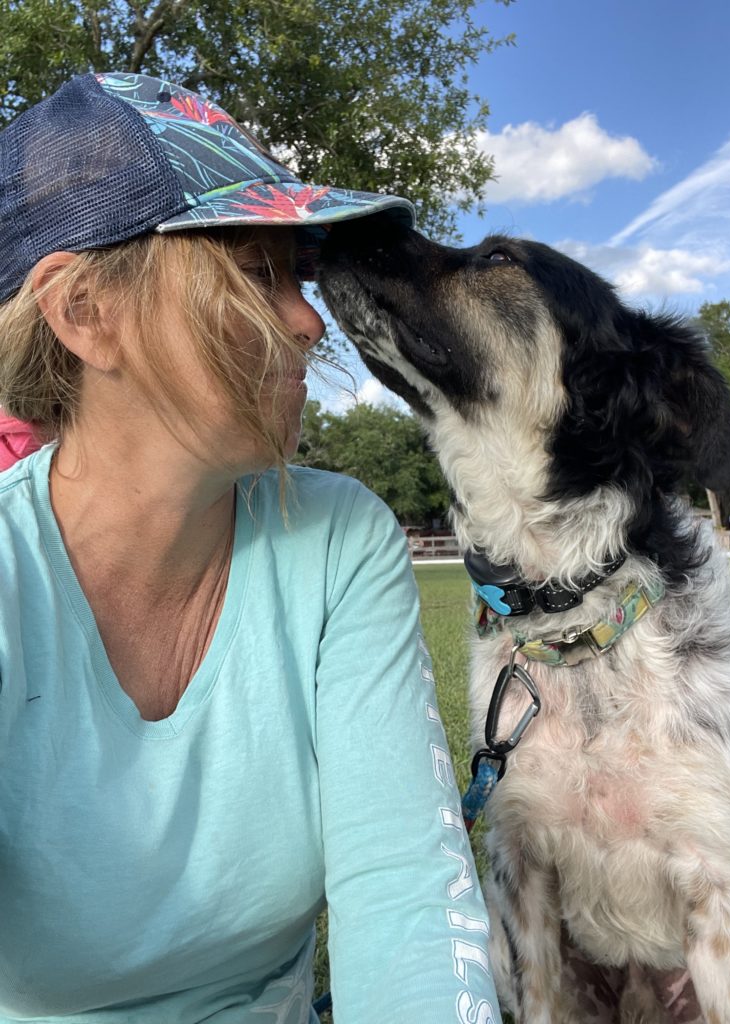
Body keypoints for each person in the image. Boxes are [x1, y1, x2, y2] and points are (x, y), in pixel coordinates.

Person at [0, 73, 502, 1024]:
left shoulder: (339, 537)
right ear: (84, 315)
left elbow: (402, 888)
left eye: (296, 274)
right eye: (255, 272)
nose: (310, 321)